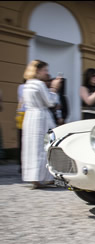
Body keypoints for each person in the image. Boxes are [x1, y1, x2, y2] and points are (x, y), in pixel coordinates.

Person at [21, 60, 61, 189]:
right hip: (40, 117)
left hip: (30, 117)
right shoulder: (39, 84)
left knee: (31, 147)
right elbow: (50, 101)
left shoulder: (27, 84)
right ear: (38, 70)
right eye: (45, 70)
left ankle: (34, 178)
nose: (47, 73)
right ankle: (46, 177)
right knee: (43, 147)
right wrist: (54, 88)